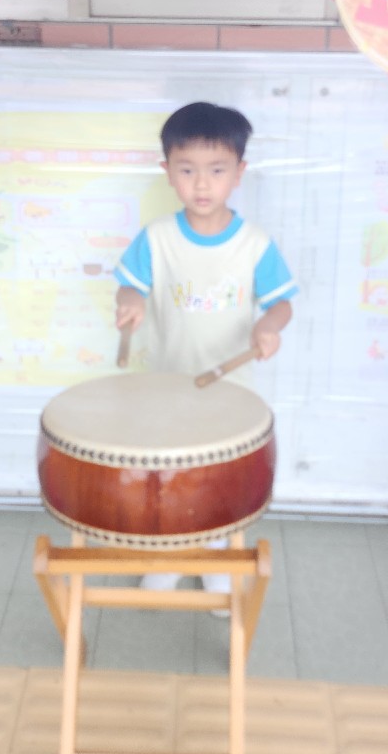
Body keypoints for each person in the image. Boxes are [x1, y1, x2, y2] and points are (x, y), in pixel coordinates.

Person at [114, 101, 296, 603]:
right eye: (187, 169)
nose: (201, 184)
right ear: (167, 171)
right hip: (168, 384)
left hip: (229, 390)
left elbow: (281, 304)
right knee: (169, 477)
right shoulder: (157, 238)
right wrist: (130, 300)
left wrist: (270, 326)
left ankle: (216, 558)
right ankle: (172, 556)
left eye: (216, 170)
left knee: (219, 480)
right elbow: (130, 286)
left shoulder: (255, 244)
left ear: (239, 172)